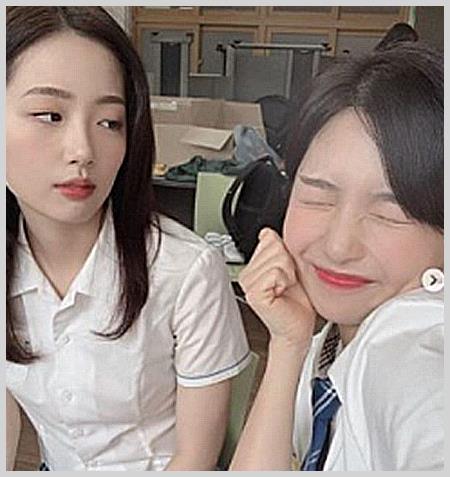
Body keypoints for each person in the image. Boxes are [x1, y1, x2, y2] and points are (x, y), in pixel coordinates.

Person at [6, 6, 251, 471]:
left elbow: (196, 457)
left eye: (109, 122)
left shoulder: (185, 271)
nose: (83, 151)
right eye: (49, 115)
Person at [230, 42, 443, 471]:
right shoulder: (327, 343)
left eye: (391, 213)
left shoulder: (413, 353)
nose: (339, 246)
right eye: (318, 197)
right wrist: (287, 345)